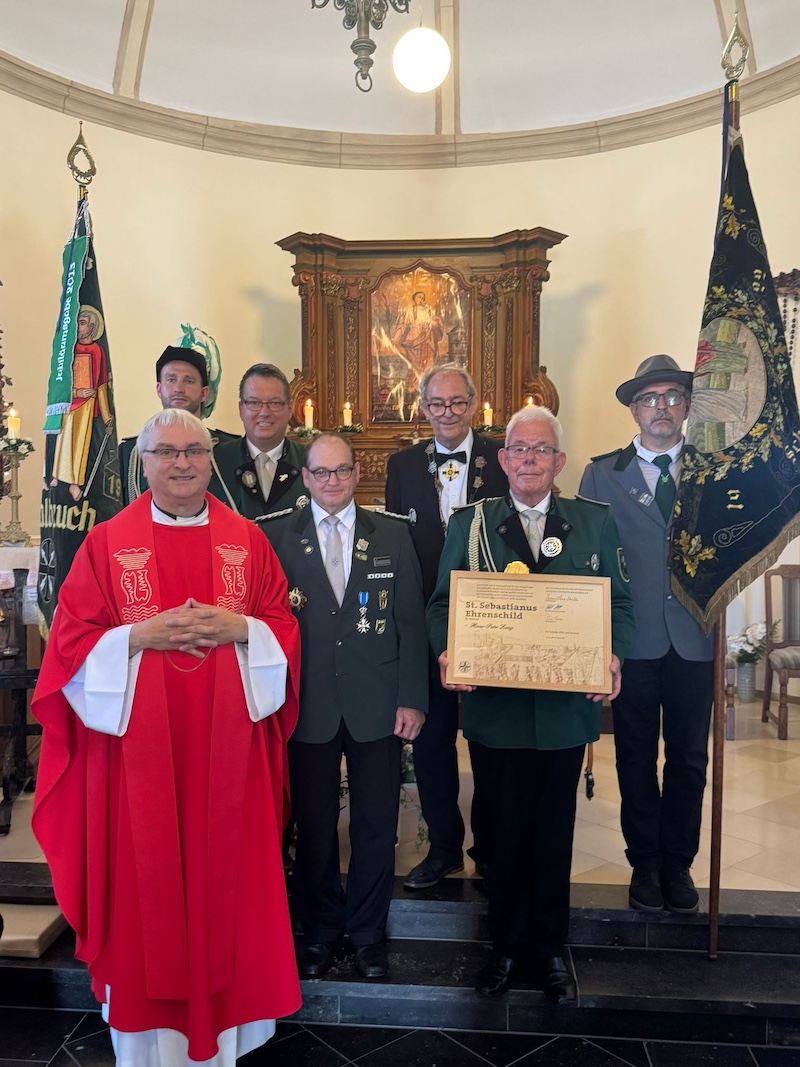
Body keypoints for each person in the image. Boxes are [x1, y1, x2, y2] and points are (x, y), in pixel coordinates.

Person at [32, 408, 302, 1067]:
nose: (182, 463)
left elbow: (281, 627)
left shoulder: (246, 541)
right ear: (143, 462)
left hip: (228, 759)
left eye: (194, 451)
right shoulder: (107, 543)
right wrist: (137, 636)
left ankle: (224, 1039)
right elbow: (69, 644)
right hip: (139, 762)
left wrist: (242, 629)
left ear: (211, 460)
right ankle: (147, 1045)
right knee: (144, 892)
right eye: (166, 452)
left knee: (227, 887)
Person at [427, 406, 635, 999]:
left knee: (553, 833)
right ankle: (504, 946)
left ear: (559, 462)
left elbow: (619, 604)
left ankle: (549, 949)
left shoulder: (593, 522)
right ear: (502, 459)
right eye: (519, 448)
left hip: (564, 713)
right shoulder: (472, 525)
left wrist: (611, 655)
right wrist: (449, 651)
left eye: (541, 450)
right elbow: (442, 605)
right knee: (502, 833)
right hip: (498, 710)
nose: (529, 459)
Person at [264, 433, 428, 981]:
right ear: (305, 478)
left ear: (357, 474)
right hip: (306, 704)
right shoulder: (275, 536)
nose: (331, 481)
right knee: (313, 827)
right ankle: (319, 931)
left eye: (341, 471)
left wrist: (412, 699)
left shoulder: (393, 535)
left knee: (376, 824)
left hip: (377, 703)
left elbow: (410, 622)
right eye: (320, 472)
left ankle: (367, 934)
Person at [579, 354, 714, 916]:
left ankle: (678, 862)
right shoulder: (601, 474)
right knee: (634, 756)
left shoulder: (714, 472)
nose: (662, 407)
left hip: (695, 638)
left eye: (673, 397)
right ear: (634, 410)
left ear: (687, 407)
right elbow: (589, 563)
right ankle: (645, 863)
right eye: (651, 398)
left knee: (688, 757)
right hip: (629, 641)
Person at [385, 363, 508, 889]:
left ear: (474, 404)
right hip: (425, 623)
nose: (448, 412)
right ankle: (443, 849)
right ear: (424, 407)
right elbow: (397, 546)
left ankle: (491, 848)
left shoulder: (502, 458)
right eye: (437, 403)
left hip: (492, 621)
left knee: (489, 741)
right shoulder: (402, 465)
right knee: (432, 744)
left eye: (458, 402)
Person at [119, 326, 236, 505]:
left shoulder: (231, 451)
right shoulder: (129, 454)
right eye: (171, 380)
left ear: (204, 393)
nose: (179, 388)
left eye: (188, 381)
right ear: (159, 389)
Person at [214, 364, 307, 519]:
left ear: (290, 408)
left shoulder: (310, 462)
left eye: (275, 403)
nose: (264, 412)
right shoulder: (216, 462)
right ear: (241, 409)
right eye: (254, 403)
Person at [51, 304, 114, 501]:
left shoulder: (98, 351)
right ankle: (56, 476)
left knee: (79, 445)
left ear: (92, 327)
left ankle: (74, 483)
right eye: (77, 323)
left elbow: (102, 384)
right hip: (68, 401)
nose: (78, 327)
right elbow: (60, 381)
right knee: (63, 440)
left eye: (82, 323)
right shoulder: (68, 349)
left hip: (87, 405)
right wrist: (76, 392)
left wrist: (106, 416)